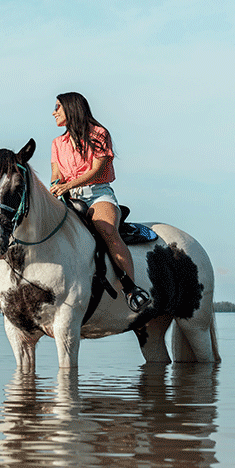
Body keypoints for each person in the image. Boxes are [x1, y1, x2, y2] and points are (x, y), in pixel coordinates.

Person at [48, 92, 151, 312]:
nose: (54, 112)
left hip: (98, 193)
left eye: (58, 107)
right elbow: (56, 174)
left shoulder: (99, 133)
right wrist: (57, 186)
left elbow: (98, 170)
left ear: (71, 108)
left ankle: (132, 289)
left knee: (107, 231)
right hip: (69, 197)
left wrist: (68, 184)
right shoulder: (57, 143)